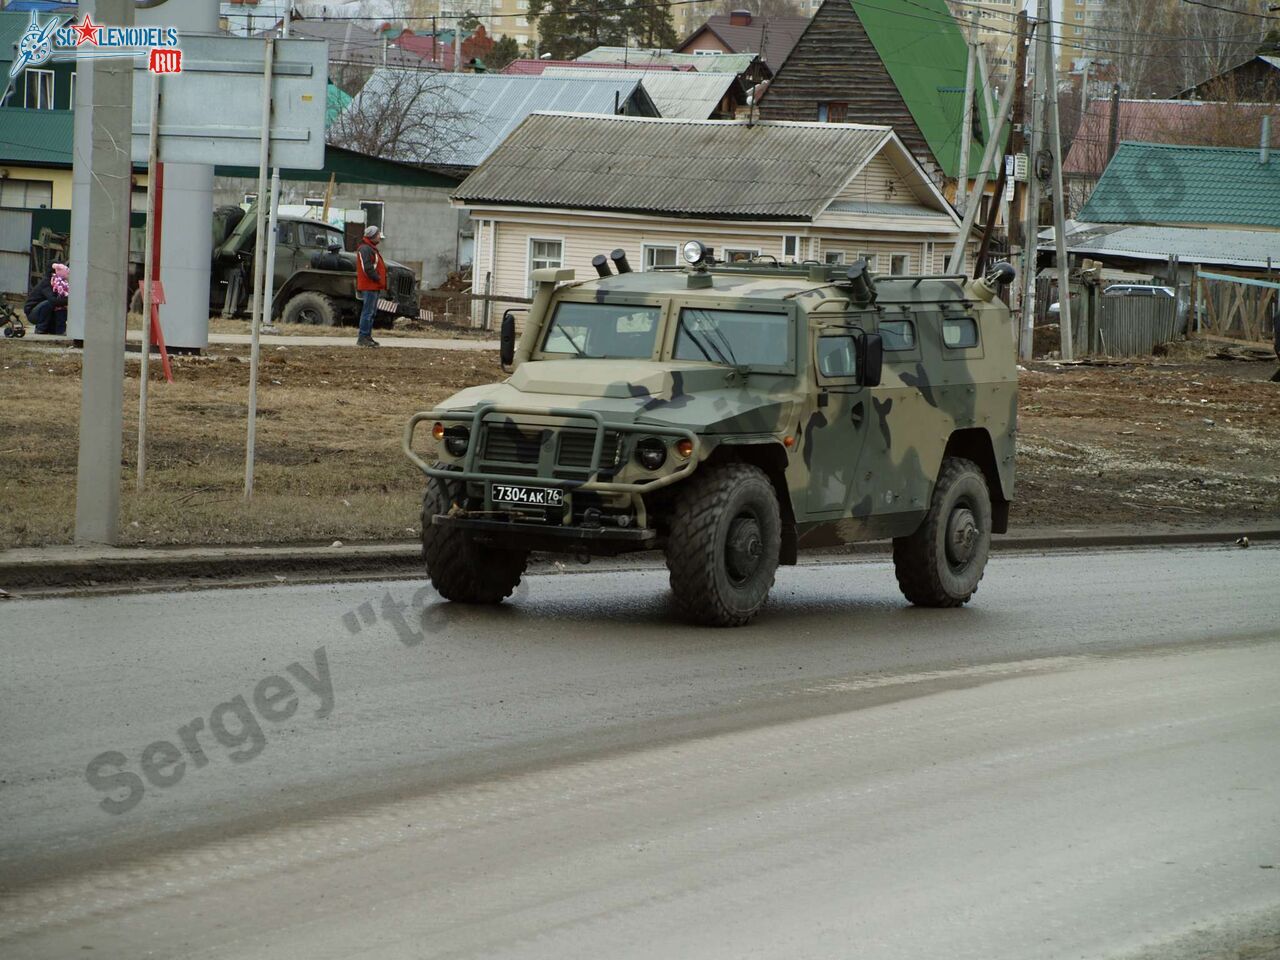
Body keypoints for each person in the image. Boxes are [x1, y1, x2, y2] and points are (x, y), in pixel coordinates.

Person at [355, 226, 386, 348]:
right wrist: (377, 277)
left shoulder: (371, 248)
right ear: (372, 236)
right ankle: (363, 337)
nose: (379, 237)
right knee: (367, 312)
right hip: (369, 285)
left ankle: (367, 336)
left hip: (374, 286)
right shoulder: (365, 249)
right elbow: (366, 267)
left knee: (371, 313)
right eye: (378, 234)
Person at [25, 262, 69, 335]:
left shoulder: (60, 283)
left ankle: (54, 329)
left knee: (60, 307)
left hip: (44, 312)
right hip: (33, 314)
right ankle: (40, 328)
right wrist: (69, 300)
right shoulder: (46, 283)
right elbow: (53, 300)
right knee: (49, 303)